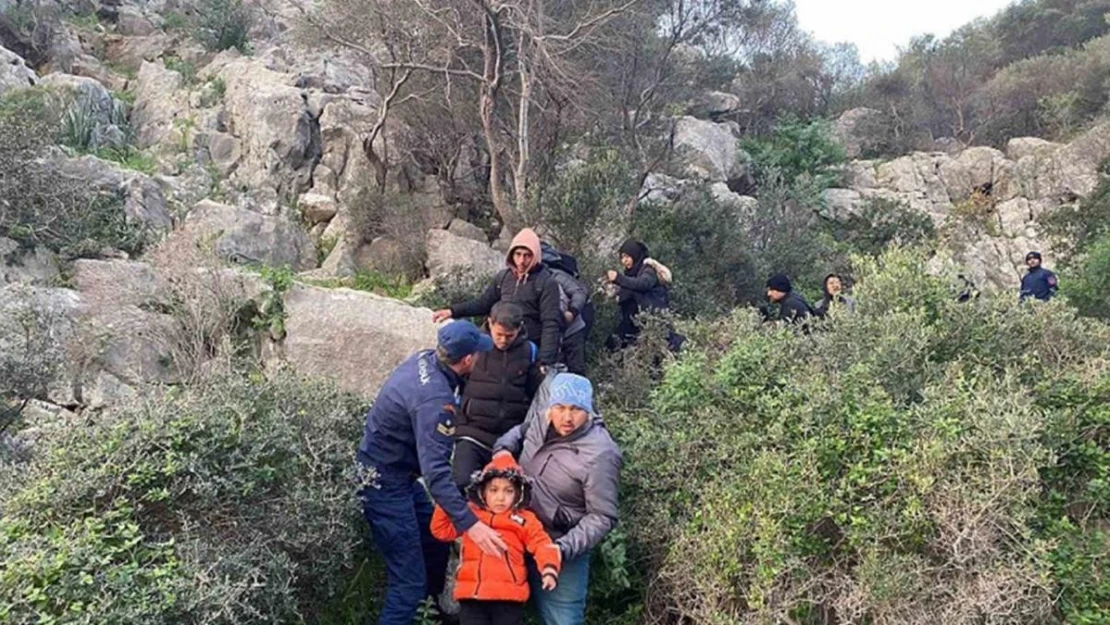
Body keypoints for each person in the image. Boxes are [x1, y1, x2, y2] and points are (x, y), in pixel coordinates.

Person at [356, 321, 509, 625]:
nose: (479, 358)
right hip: (385, 485)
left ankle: (430, 615)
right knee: (407, 584)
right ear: (466, 360)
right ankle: (409, 610)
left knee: (434, 540)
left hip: (393, 472)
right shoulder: (435, 402)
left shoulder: (425, 358)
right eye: (477, 353)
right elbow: (437, 473)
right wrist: (471, 525)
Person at [494, 374, 621, 625]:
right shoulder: (542, 419)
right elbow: (519, 431)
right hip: (516, 534)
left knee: (562, 621)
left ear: (589, 409)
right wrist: (503, 451)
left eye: (576, 409)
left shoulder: (601, 453)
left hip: (559, 546)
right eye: (560, 408)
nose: (567, 417)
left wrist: (561, 549)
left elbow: (603, 516)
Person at [431, 455, 562, 625]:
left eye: (508, 491)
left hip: (508, 597)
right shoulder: (469, 515)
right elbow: (441, 531)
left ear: (518, 494)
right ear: (482, 491)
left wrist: (549, 569)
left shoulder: (524, 519)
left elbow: (542, 544)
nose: (500, 497)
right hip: (472, 595)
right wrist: (448, 499)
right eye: (493, 490)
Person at [434, 228, 562, 370]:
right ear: (511, 254)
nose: (521, 261)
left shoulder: (546, 283)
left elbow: (550, 323)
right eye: (518, 254)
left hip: (524, 344)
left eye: (527, 256)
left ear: (536, 256)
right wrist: (452, 311)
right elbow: (484, 303)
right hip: (495, 338)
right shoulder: (503, 277)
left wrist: (545, 362)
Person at [453, 301, 543, 491]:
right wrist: (458, 422)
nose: (503, 340)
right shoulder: (473, 346)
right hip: (472, 433)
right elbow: (454, 382)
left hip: (509, 438)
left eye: (509, 336)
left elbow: (537, 394)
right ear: (490, 323)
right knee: (463, 484)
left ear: (519, 329)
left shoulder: (529, 351)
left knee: (507, 493)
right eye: (499, 334)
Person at [604, 239, 672, 349]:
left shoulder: (648, 270)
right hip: (636, 321)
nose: (624, 261)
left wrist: (618, 278)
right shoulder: (632, 272)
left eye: (627, 256)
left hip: (653, 319)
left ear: (635, 255)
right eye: (622, 257)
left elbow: (643, 284)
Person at [540, 242, 591, 375]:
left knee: (576, 371)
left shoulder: (555, 275)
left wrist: (571, 312)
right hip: (551, 334)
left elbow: (579, 291)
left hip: (572, 330)